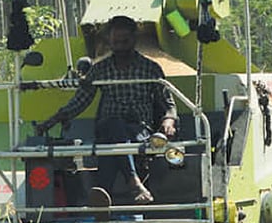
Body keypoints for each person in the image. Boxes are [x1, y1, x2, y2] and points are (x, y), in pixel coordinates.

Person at [35, 15, 177, 203]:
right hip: (107, 126)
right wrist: (53, 119)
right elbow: (81, 100)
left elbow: (168, 102)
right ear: (109, 41)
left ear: (134, 40)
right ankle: (133, 182)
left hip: (139, 129)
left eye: (125, 41)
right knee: (113, 125)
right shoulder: (100, 69)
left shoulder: (150, 68)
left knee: (111, 148)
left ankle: (102, 197)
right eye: (116, 42)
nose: (121, 46)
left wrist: (169, 120)